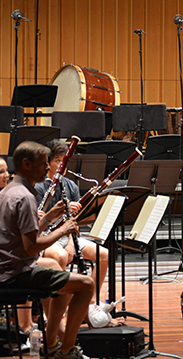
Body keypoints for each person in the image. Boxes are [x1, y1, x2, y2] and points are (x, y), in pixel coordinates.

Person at [0, 141, 94, 359]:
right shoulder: (24, 197)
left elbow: (24, 235)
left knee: (63, 283)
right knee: (86, 284)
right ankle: (67, 349)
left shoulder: (10, 191)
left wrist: (50, 217)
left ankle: (51, 343)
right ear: (26, 164)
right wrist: (63, 230)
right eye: (43, 164)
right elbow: (31, 246)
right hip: (15, 274)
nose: (47, 169)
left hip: (10, 268)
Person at [35, 139, 120, 328]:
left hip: (68, 236)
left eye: (64, 160)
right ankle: (61, 310)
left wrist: (73, 243)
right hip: (47, 237)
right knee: (60, 256)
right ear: (48, 162)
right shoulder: (39, 186)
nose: (61, 165)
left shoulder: (70, 185)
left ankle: (90, 305)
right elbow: (38, 222)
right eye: (57, 160)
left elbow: (76, 222)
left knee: (104, 254)